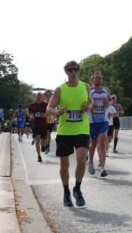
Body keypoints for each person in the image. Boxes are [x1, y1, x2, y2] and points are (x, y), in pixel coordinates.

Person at [47, 61, 91, 207]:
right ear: (66, 72)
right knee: (64, 163)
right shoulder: (60, 89)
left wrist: (88, 107)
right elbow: (49, 108)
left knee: (81, 159)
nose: (73, 72)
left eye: (75, 69)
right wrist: (57, 112)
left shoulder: (85, 86)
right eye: (70, 70)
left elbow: (90, 103)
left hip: (82, 129)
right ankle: (66, 192)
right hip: (65, 131)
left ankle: (77, 189)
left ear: (79, 71)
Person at [87, 71, 111, 178]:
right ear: (93, 80)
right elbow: (86, 104)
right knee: (93, 144)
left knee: (102, 142)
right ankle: (91, 162)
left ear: (101, 80)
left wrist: (107, 104)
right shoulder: (90, 91)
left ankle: (102, 169)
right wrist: (92, 105)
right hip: (93, 121)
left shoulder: (105, 91)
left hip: (103, 121)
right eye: (95, 78)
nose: (97, 80)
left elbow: (109, 103)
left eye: (99, 78)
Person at [28, 92, 49, 162]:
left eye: (40, 96)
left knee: (44, 141)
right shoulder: (32, 105)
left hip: (44, 125)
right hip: (36, 125)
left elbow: (49, 112)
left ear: (42, 97)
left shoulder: (46, 105)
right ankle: (39, 156)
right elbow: (29, 113)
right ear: (36, 97)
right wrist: (31, 116)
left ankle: (43, 145)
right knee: (37, 138)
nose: (39, 98)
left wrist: (45, 115)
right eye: (38, 97)